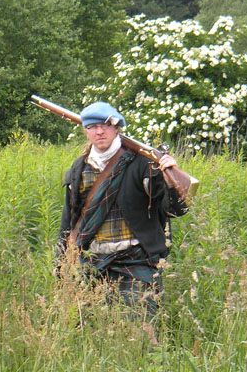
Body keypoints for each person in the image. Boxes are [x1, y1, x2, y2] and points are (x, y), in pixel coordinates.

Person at [56, 101, 188, 337]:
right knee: (86, 335)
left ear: (117, 128)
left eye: (105, 126)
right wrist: (61, 260)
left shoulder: (144, 164)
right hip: (92, 261)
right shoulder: (79, 169)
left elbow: (173, 209)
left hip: (135, 260)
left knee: (143, 334)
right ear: (85, 130)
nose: (99, 132)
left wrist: (168, 176)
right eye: (92, 127)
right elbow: (69, 219)